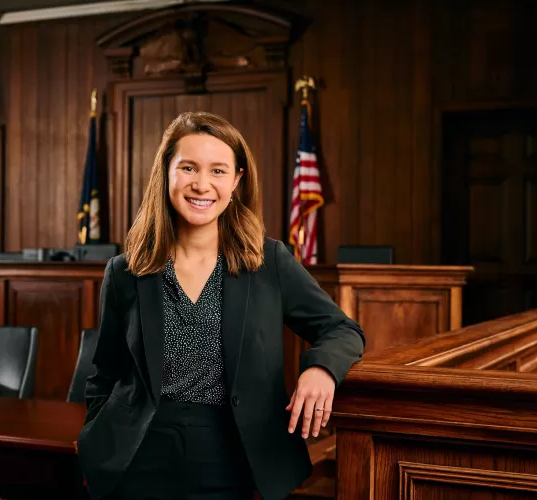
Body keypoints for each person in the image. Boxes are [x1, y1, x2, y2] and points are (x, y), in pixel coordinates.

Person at [77, 111, 365, 500]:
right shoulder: (126, 272)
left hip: (231, 452)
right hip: (136, 454)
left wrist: (322, 370)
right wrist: (97, 438)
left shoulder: (269, 262)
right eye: (189, 168)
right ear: (167, 174)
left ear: (236, 181)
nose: (202, 184)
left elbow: (343, 330)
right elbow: (104, 374)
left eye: (217, 170)